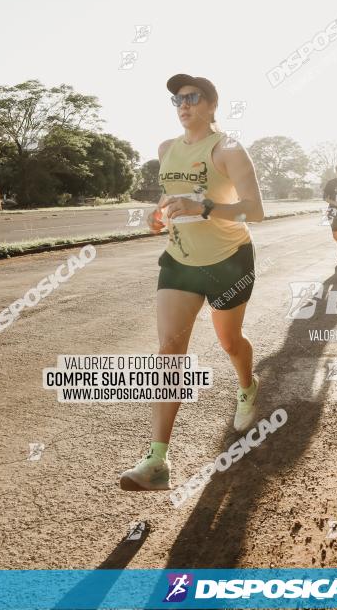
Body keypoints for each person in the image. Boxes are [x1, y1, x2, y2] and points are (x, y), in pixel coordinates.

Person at [120, 74, 264, 491]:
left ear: (211, 105)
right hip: (179, 261)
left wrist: (204, 207)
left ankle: (247, 385)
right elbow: (169, 199)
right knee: (169, 351)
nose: (182, 104)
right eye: (176, 99)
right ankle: (157, 460)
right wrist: (157, 213)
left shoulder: (229, 149)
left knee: (229, 342)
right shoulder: (166, 149)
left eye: (191, 97)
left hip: (228, 261)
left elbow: (255, 210)